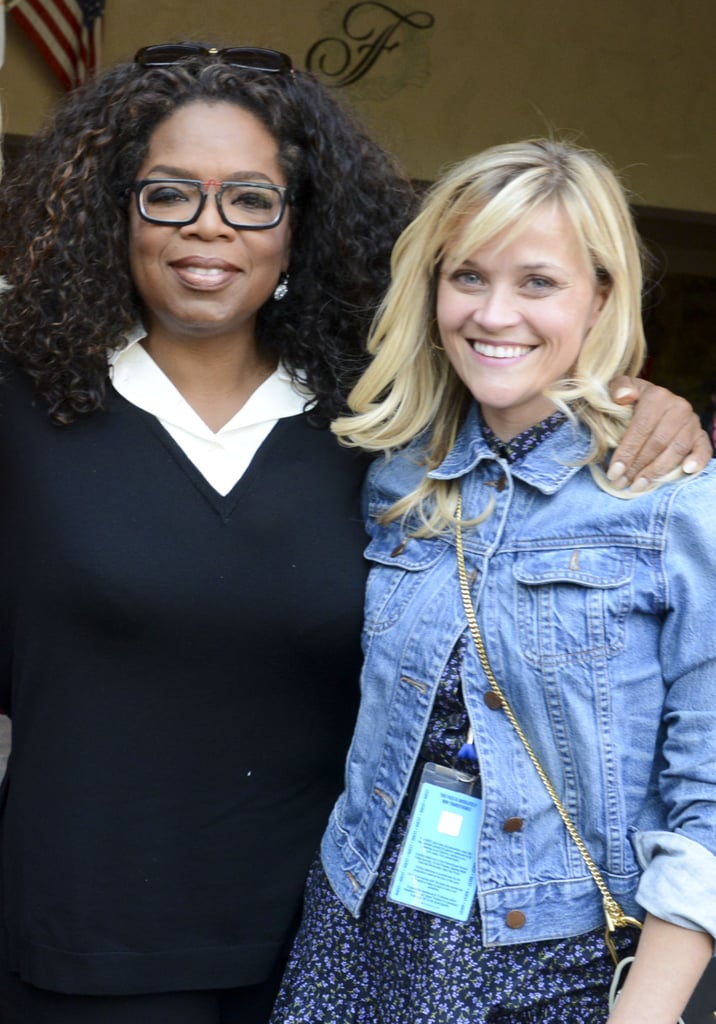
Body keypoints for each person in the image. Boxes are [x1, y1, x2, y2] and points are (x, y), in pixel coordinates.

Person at [0, 48, 708, 1024]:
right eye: (168, 195)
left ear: (301, 226)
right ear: (114, 212)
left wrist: (642, 409)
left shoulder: (364, 435)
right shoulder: (30, 412)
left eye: (253, 199)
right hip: (137, 951)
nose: (209, 226)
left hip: (359, 955)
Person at [271, 140, 716, 1024]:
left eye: (538, 282)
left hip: (557, 968)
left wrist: (648, 1013)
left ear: (601, 294)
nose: (494, 312)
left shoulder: (674, 506)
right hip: (357, 937)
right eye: (467, 277)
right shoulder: (395, 478)